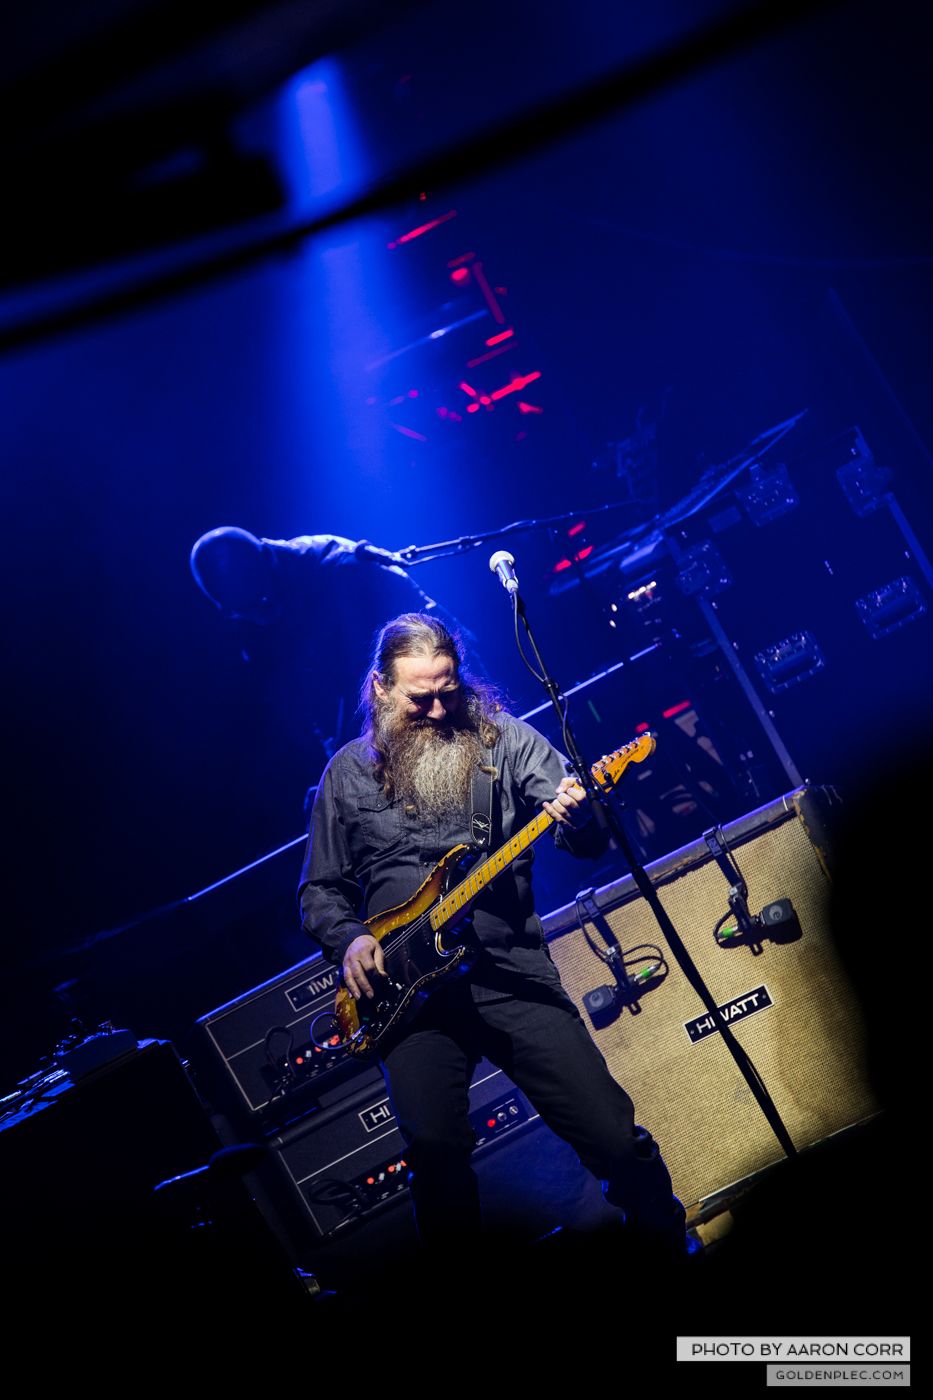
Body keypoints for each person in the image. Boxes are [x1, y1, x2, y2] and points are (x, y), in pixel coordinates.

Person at [297, 611, 686, 1265]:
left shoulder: (504, 740)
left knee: (612, 1137)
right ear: (381, 688)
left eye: (448, 690)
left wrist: (579, 810)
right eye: (420, 696)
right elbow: (318, 891)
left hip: (507, 970)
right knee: (438, 1162)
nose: (437, 706)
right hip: (406, 997)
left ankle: (667, 1242)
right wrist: (350, 942)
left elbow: (582, 839)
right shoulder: (346, 774)